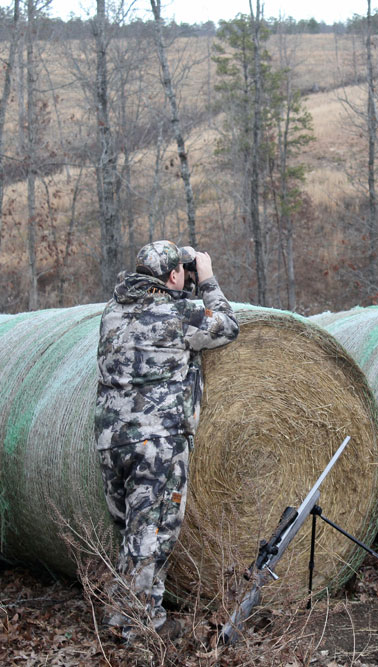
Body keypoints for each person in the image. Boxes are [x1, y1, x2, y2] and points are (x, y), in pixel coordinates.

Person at [94, 240, 239, 642]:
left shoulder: (113, 312)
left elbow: (160, 314)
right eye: (181, 272)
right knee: (154, 531)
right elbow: (226, 324)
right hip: (156, 441)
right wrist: (206, 278)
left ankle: (129, 615)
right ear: (174, 276)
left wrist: (181, 281)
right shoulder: (179, 313)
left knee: (131, 532)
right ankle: (141, 625)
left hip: (111, 440)